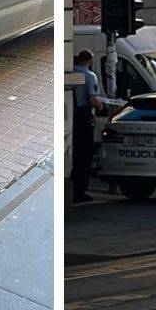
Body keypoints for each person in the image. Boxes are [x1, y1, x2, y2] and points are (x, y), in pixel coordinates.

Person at [72, 49, 103, 203]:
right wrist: (100, 106)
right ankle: (80, 192)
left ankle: (73, 189)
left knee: (74, 155)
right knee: (85, 157)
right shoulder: (91, 76)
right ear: (90, 61)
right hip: (84, 118)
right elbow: (92, 99)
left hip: (73, 117)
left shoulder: (71, 71)